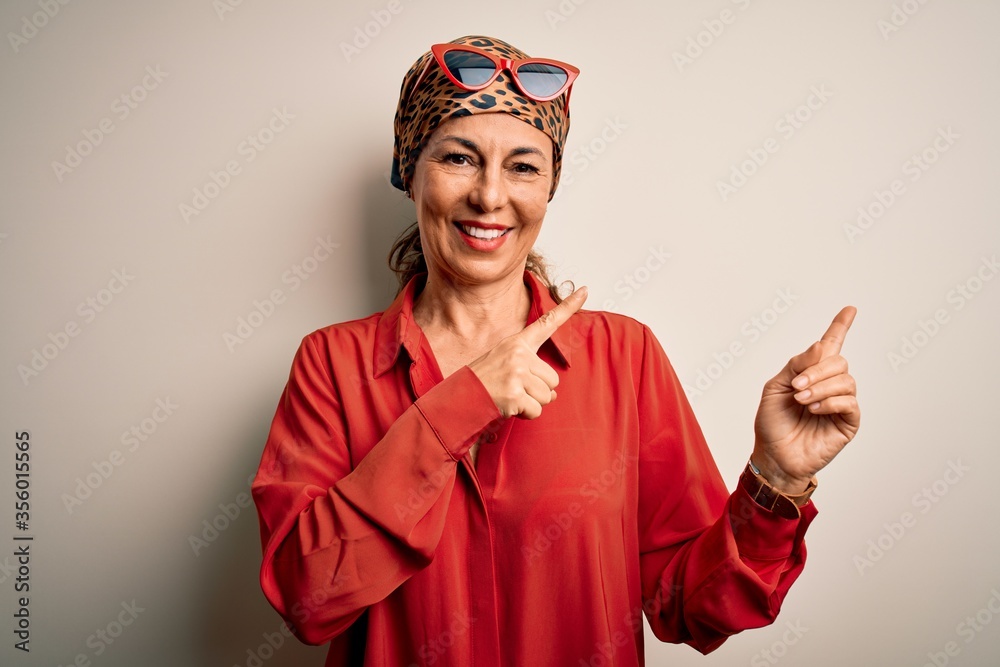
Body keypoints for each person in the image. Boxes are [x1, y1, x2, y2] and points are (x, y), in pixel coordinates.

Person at [251, 35, 860, 667]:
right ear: (410, 170)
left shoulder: (626, 357)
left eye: (522, 167)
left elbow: (689, 608)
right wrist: (459, 407)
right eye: (459, 159)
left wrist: (777, 479)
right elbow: (308, 600)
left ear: (549, 187)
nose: (490, 196)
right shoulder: (331, 365)